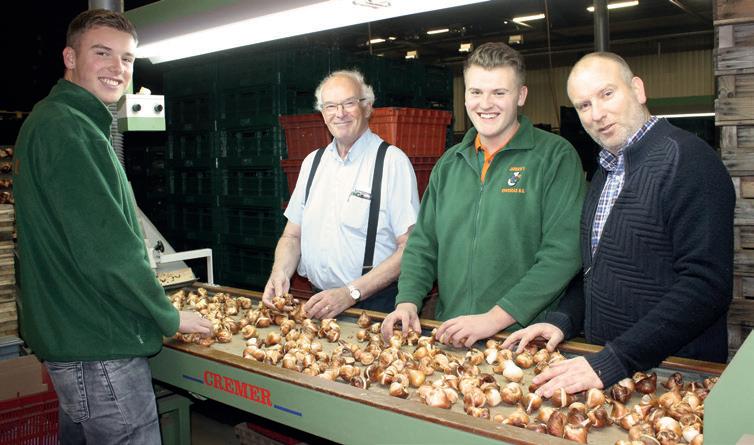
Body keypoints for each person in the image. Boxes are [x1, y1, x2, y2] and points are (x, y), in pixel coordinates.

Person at [13, 9, 212, 444]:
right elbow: (108, 252)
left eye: (127, 58)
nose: (117, 68)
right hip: (98, 344)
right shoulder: (71, 131)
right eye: (102, 53)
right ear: (70, 57)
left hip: (75, 336)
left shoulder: (55, 120)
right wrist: (167, 316)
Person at [502, 52, 734, 396]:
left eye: (607, 94)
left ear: (637, 89)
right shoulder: (606, 172)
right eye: (583, 106)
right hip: (612, 373)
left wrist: (616, 359)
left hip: (675, 381)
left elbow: (706, 287)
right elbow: (597, 271)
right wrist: (563, 321)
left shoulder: (689, 161)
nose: (597, 114)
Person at [381, 42, 586, 347]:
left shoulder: (554, 157)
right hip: (451, 334)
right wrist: (408, 300)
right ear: (465, 96)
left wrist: (494, 318)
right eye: (476, 92)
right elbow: (423, 244)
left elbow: (564, 253)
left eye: (499, 93)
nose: (485, 104)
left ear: (521, 96)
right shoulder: (450, 164)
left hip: (522, 339)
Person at [262, 70, 419, 319]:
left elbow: (409, 248)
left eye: (349, 103)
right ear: (322, 113)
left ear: (367, 107)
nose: (340, 113)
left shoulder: (391, 162)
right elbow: (292, 235)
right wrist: (279, 272)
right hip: (319, 302)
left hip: (372, 306)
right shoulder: (313, 163)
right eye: (331, 106)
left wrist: (351, 293)